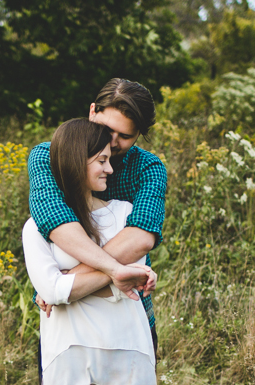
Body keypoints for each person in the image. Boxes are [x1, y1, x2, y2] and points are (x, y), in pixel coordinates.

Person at [22, 119, 158, 385]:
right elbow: (49, 287)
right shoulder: (39, 228)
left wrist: (71, 288)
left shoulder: (125, 216)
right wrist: (115, 276)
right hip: (71, 361)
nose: (111, 169)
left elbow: (69, 289)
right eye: (100, 160)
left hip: (128, 357)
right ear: (74, 161)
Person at [28, 78, 166, 347]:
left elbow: (142, 237)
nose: (112, 142)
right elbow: (55, 221)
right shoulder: (48, 156)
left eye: (125, 136)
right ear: (93, 111)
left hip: (127, 314)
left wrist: (63, 283)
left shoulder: (148, 168)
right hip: (67, 322)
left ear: (138, 135)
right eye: (106, 129)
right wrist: (117, 270)